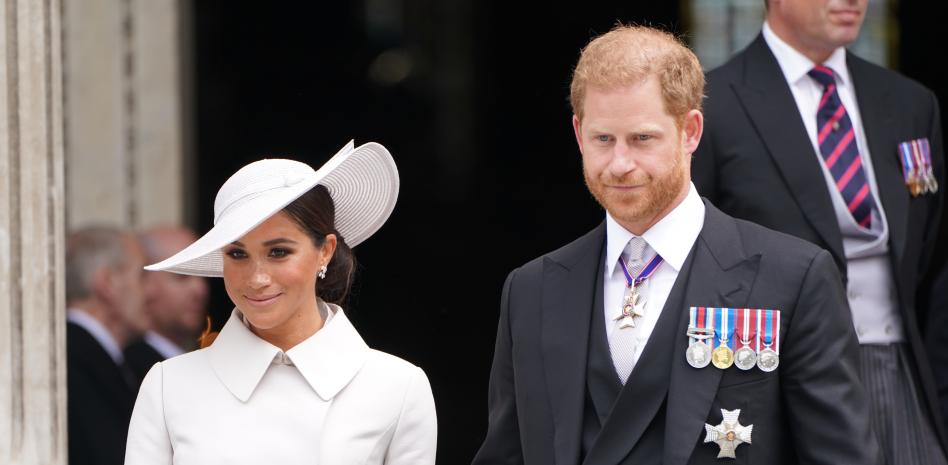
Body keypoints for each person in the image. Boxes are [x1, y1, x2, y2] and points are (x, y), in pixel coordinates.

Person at [472, 25, 881, 464]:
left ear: (690, 131)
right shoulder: (531, 291)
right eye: (603, 139)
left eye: (642, 138)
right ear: (577, 133)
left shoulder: (794, 279)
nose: (620, 164)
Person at [691, 1, 947, 462]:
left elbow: (935, 266)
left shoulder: (910, 103)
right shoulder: (714, 107)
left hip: (904, 376)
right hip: (783, 386)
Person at [124, 141, 437, 464]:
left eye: (278, 252)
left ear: (325, 251)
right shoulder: (168, 387)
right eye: (237, 254)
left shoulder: (397, 388)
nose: (257, 278)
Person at [66, 226, 149, 465]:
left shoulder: (103, 359)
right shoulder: (73, 362)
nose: (151, 293)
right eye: (142, 277)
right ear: (108, 283)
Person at [124, 226, 209, 382]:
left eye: (202, 275)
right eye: (182, 276)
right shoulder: (133, 372)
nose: (200, 289)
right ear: (144, 281)